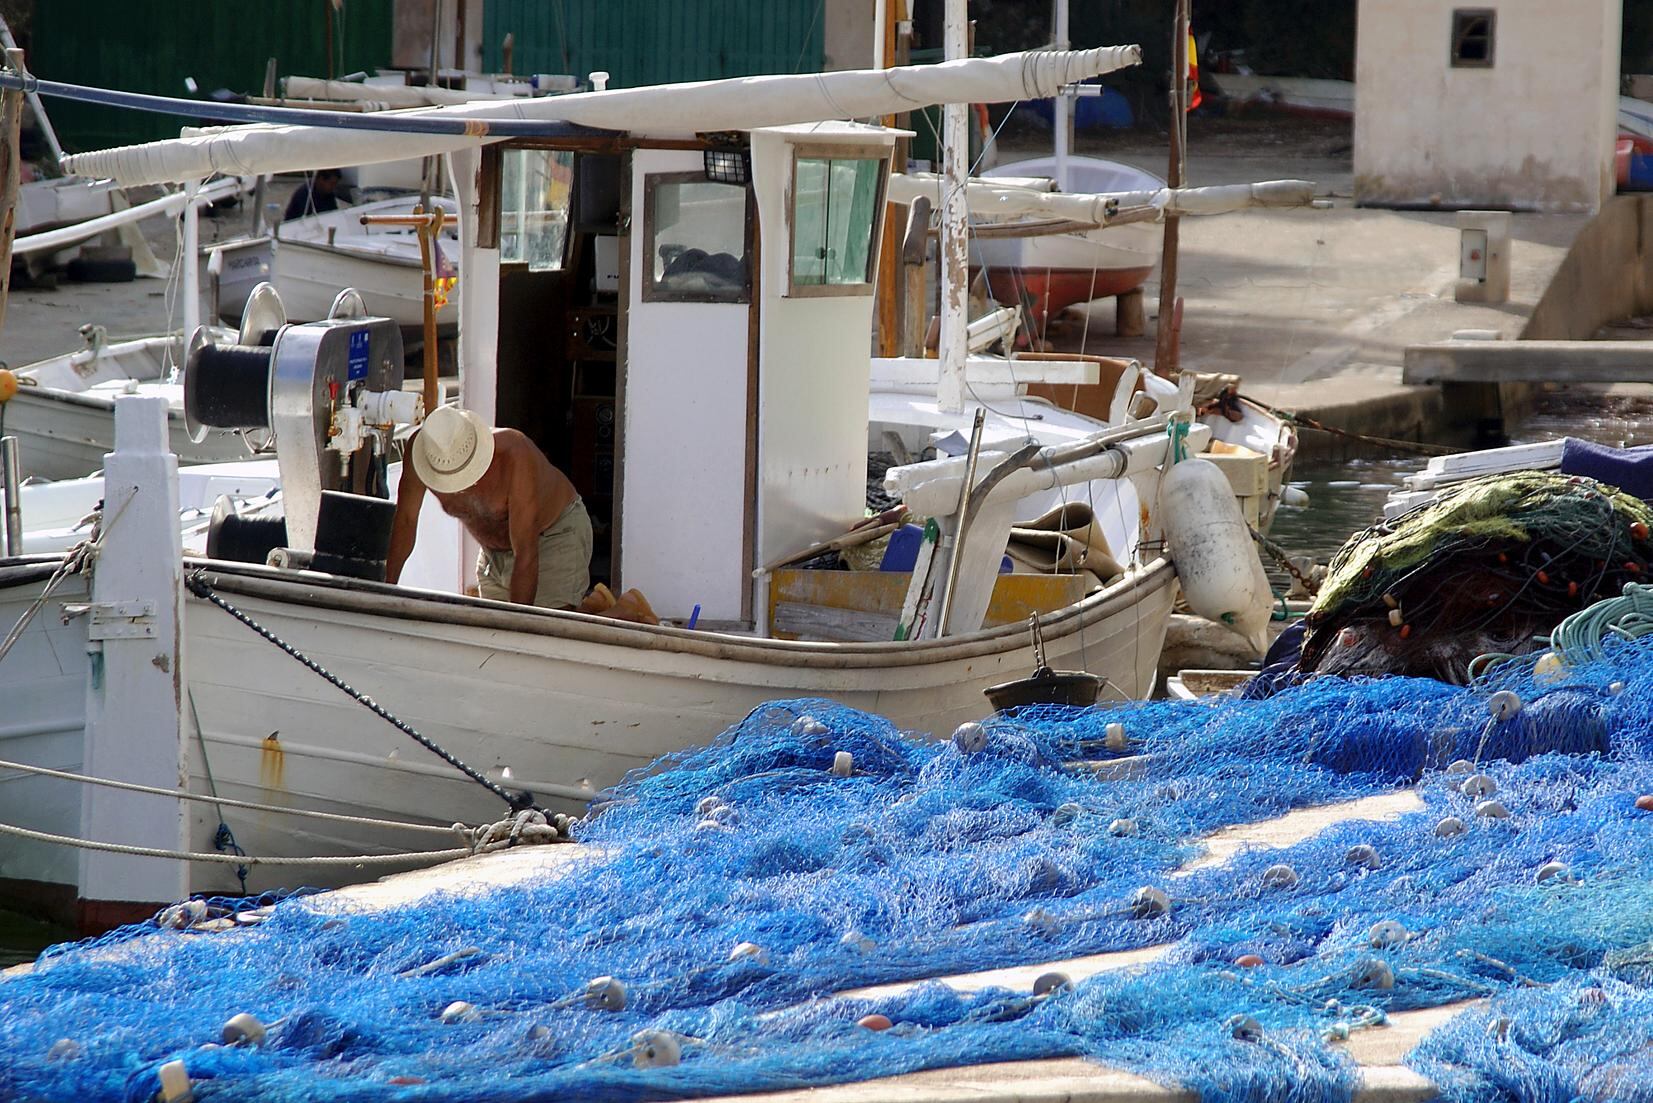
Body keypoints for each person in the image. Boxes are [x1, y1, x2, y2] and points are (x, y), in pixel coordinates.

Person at [386, 405, 592, 609]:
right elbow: (406, 520)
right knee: (492, 631)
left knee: (548, 631)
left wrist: (520, 624)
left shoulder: (515, 453)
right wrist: (387, 591)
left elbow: (526, 553)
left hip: (552, 535)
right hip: (492, 555)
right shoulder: (423, 452)